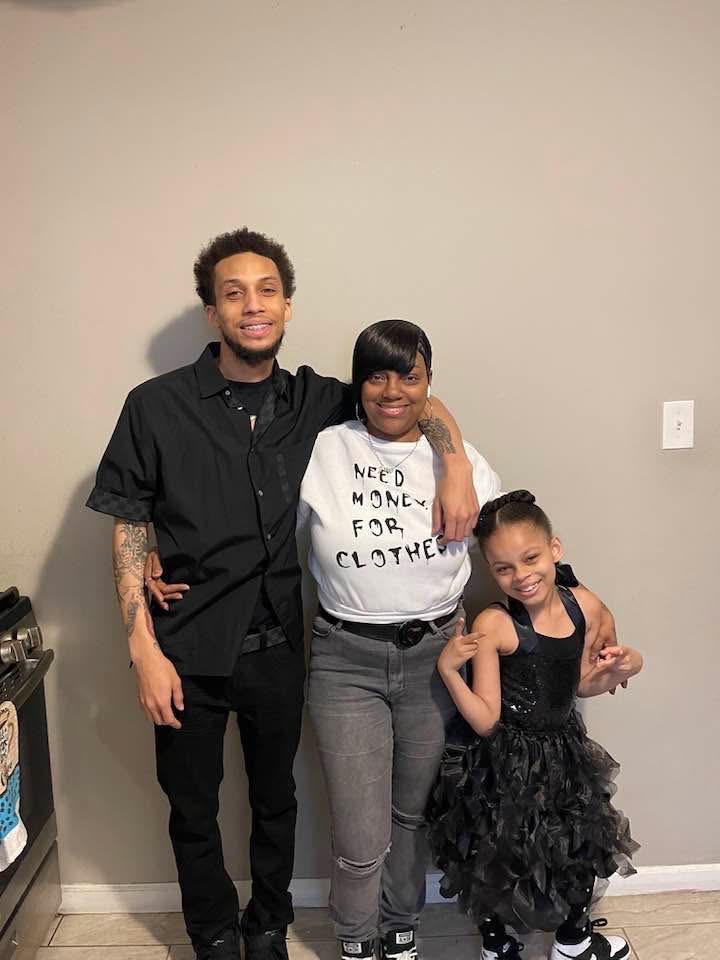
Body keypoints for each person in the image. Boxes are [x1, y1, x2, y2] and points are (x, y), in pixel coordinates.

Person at [86, 228, 479, 960]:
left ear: (287, 306)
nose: (253, 305)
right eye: (234, 293)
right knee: (193, 808)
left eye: (267, 290)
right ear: (213, 312)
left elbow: (409, 397)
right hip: (185, 644)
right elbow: (130, 521)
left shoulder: (317, 401)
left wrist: (454, 466)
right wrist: (141, 647)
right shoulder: (155, 406)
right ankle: (212, 934)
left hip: (278, 644)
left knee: (276, 800)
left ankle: (267, 924)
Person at [297, 320, 501, 960]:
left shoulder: (463, 462)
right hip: (345, 661)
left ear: (429, 383)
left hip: (437, 660)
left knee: (412, 813)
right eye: (376, 376)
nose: (392, 391)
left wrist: (576, 597)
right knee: (360, 830)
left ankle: (401, 926)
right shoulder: (324, 449)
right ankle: (357, 939)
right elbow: (260, 530)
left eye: (409, 377)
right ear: (358, 383)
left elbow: (513, 548)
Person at [428, 491, 642, 960]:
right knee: (495, 849)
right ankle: (496, 943)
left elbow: (580, 684)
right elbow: (486, 720)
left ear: (554, 549)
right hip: (504, 758)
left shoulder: (583, 605)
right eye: (503, 568)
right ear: (490, 570)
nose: (522, 576)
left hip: (565, 750)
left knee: (578, 842)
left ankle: (573, 940)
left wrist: (628, 665)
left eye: (531, 558)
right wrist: (448, 671)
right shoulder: (494, 623)